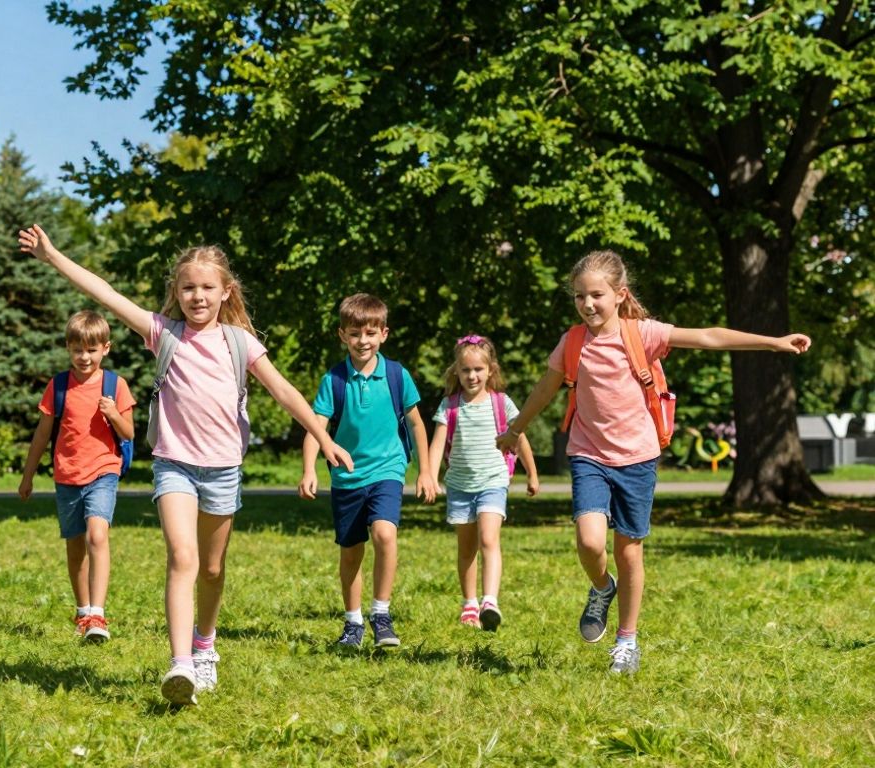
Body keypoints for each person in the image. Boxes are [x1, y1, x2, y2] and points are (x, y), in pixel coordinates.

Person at [19, 224, 353, 706]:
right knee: (183, 558)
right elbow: (106, 294)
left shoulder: (240, 343)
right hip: (174, 465)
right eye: (188, 287)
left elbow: (283, 390)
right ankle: (180, 667)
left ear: (225, 292)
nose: (197, 296)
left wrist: (322, 437)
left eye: (207, 288)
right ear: (176, 292)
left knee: (212, 569)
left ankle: (204, 646)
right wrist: (53, 256)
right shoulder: (164, 333)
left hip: (222, 469)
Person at [496, 250, 810, 673]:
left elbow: (709, 337)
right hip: (588, 452)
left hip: (638, 458)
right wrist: (516, 429)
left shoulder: (642, 334)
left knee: (629, 552)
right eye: (579, 297)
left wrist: (772, 342)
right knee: (589, 542)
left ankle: (627, 642)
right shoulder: (573, 342)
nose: (587, 304)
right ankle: (601, 588)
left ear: (619, 294)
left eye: (596, 295)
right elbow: (544, 390)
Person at [298, 293, 438, 650]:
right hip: (347, 477)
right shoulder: (334, 380)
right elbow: (317, 427)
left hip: (388, 470)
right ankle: (353, 622)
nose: (363, 341)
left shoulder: (396, 375)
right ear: (342, 335)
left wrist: (425, 472)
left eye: (371, 333)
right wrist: (309, 469)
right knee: (351, 551)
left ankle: (381, 613)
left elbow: (417, 424)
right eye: (355, 333)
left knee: (385, 535)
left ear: (384, 334)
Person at [18, 310, 136, 644]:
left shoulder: (116, 386)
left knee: (97, 535)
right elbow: (42, 435)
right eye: (77, 350)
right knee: (75, 548)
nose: (84, 357)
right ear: (69, 349)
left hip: (104, 470)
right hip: (66, 474)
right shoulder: (58, 386)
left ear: (105, 348)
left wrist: (113, 413)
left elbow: (128, 433)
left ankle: (98, 613)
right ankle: (84, 611)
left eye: (91, 350)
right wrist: (28, 476)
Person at [428, 335, 538, 632]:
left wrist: (532, 473)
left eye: (478, 369)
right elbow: (438, 444)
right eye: (465, 370)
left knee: (489, 539)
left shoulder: (501, 403)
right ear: (456, 372)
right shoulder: (450, 406)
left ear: (491, 370)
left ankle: (490, 601)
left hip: (493, 480)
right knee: (467, 549)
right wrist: (429, 475)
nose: (472, 376)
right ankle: (470, 604)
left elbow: (520, 438)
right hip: (460, 485)